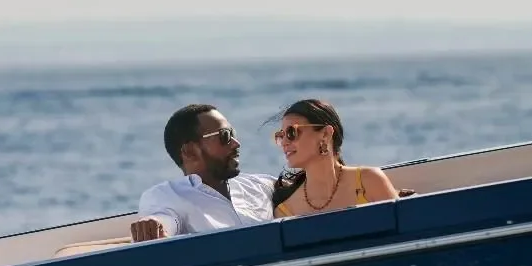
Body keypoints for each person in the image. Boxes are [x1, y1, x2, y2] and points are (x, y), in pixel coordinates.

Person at [130, 104, 276, 242]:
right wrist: (153, 225)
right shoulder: (168, 196)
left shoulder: (262, 185)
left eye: (233, 134)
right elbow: (163, 218)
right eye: (224, 136)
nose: (236, 143)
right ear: (189, 151)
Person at [270, 98, 400, 218]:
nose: (284, 142)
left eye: (291, 132)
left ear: (325, 134)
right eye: (281, 135)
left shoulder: (369, 182)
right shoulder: (286, 211)